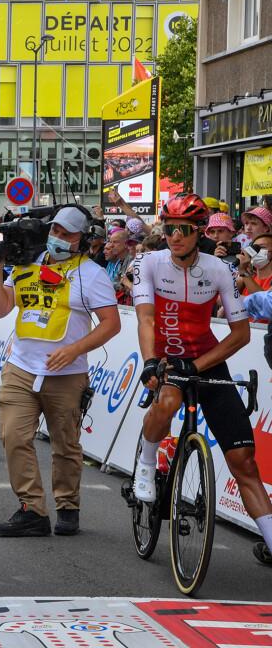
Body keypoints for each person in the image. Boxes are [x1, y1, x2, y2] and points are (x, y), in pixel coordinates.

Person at [131, 194, 272, 565]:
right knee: (169, 401)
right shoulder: (149, 261)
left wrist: (199, 365)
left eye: (184, 230)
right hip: (166, 355)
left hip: (206, 360)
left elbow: (240, 334)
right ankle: (146, 464)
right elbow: (145, 318)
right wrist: (150, 362)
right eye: (169, 228)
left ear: (199, 234)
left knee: (244, 460)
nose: (174, 236)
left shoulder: (218, 269)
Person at [0, 207, 121, 536]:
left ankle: (68, 504)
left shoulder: (92, 275)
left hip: (67, 374)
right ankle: (32, 509)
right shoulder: (27, 263)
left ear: (83, 240)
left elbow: (112, 324)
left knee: (66, 444)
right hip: (21, 368)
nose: (59, 238)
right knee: (13, 436)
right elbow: (1, 308)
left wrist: (74, 350)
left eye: (68, 234)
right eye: (56, 230)